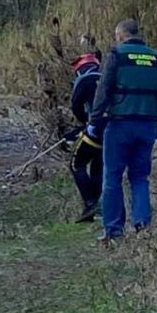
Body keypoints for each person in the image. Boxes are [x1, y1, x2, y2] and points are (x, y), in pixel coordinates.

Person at [88, 19, 157, 241]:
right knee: (140, 177)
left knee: (113, 177)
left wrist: (94, 121)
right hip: (147, 126)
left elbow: (104, 90)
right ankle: (142, 225)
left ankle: (113, 230)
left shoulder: (117, 55)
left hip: (119, 125)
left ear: (120, 34)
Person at [69, 52, 104, 223]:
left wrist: (84, 122)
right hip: (112, 131)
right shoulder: (108, 78)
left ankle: (90, 203)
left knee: (77, 164)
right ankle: (96, 205)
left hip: (94, 130)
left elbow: (75, 106)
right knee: (98, 166)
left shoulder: (83, 81)